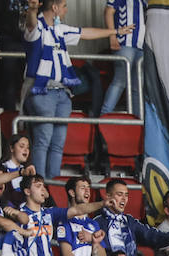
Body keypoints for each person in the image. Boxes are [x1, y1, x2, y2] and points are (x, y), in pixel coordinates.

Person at [23, 0, 133, 177]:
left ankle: (51, 188)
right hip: (44, 91)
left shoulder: (60, 29)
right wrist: (32, 9)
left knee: (58, 144)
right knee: (43, 140)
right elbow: (31, 23)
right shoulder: (38, 28)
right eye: (64, 6)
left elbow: (85, 32)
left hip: (63, 92)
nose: (66, 10)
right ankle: (39, 185)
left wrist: (115, 31)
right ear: (55, 8)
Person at [100, 0, 143, 115]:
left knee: (137, 86)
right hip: (125, 43)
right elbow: (109, 11)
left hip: (141, 45)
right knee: (120, 81)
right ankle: (104, 118)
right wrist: (112, 37)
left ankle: (137, 124)